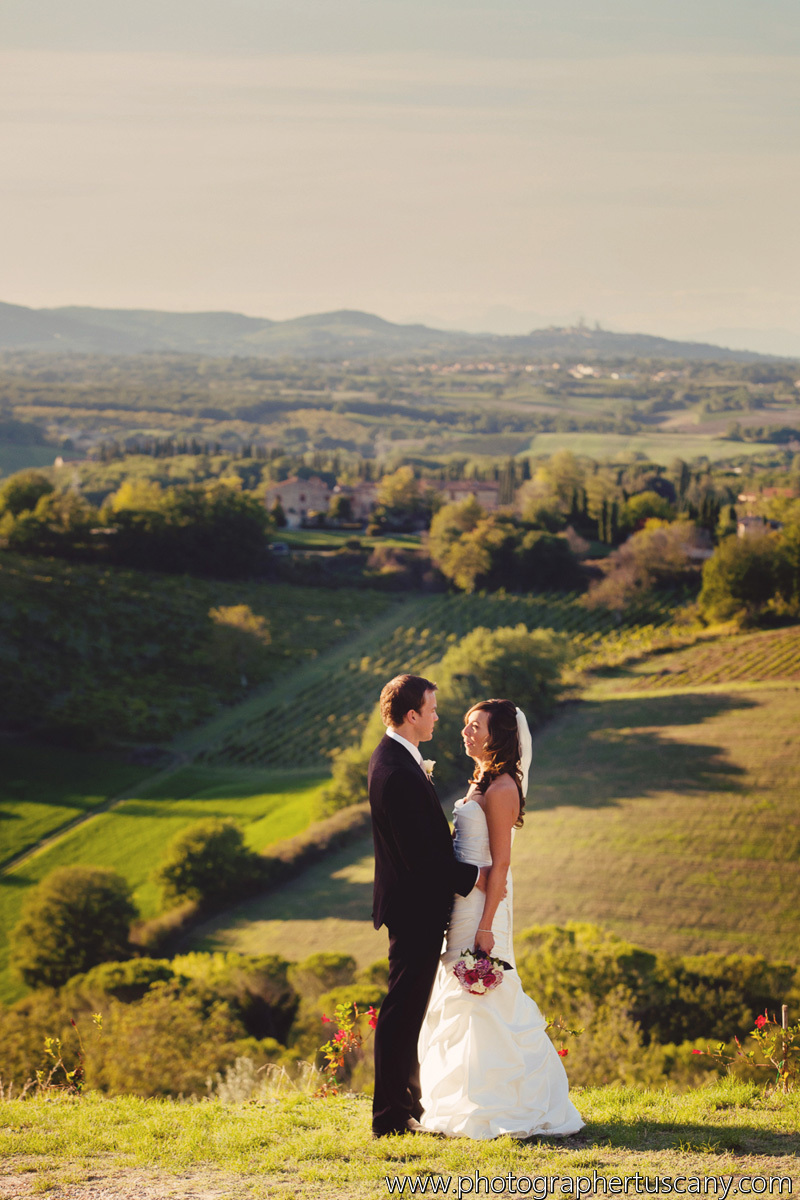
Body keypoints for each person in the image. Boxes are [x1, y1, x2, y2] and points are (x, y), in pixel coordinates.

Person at [418, 698, 584, 1139]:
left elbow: (502, 865)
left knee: (485, 998)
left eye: (476, 726)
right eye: (467, 725)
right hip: (464, 902)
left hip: (483, 909)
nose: (466, 732)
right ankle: (465, 1102)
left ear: (499, 735)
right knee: (462, 995)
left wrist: (487, 925)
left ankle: (504, 1105)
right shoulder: (483, 781)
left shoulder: (502, 788)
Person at [368, 673, 488, 1138]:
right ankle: (390, 1118)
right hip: (414, 907)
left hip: (414, 904)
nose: (438, 716)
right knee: (402, 1009)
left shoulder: (398, 759)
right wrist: (475, 878)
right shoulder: (396, 770)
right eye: (432, 709)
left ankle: (408, 1105)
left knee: (411, 1007)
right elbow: (420, 856)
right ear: (411, 714)